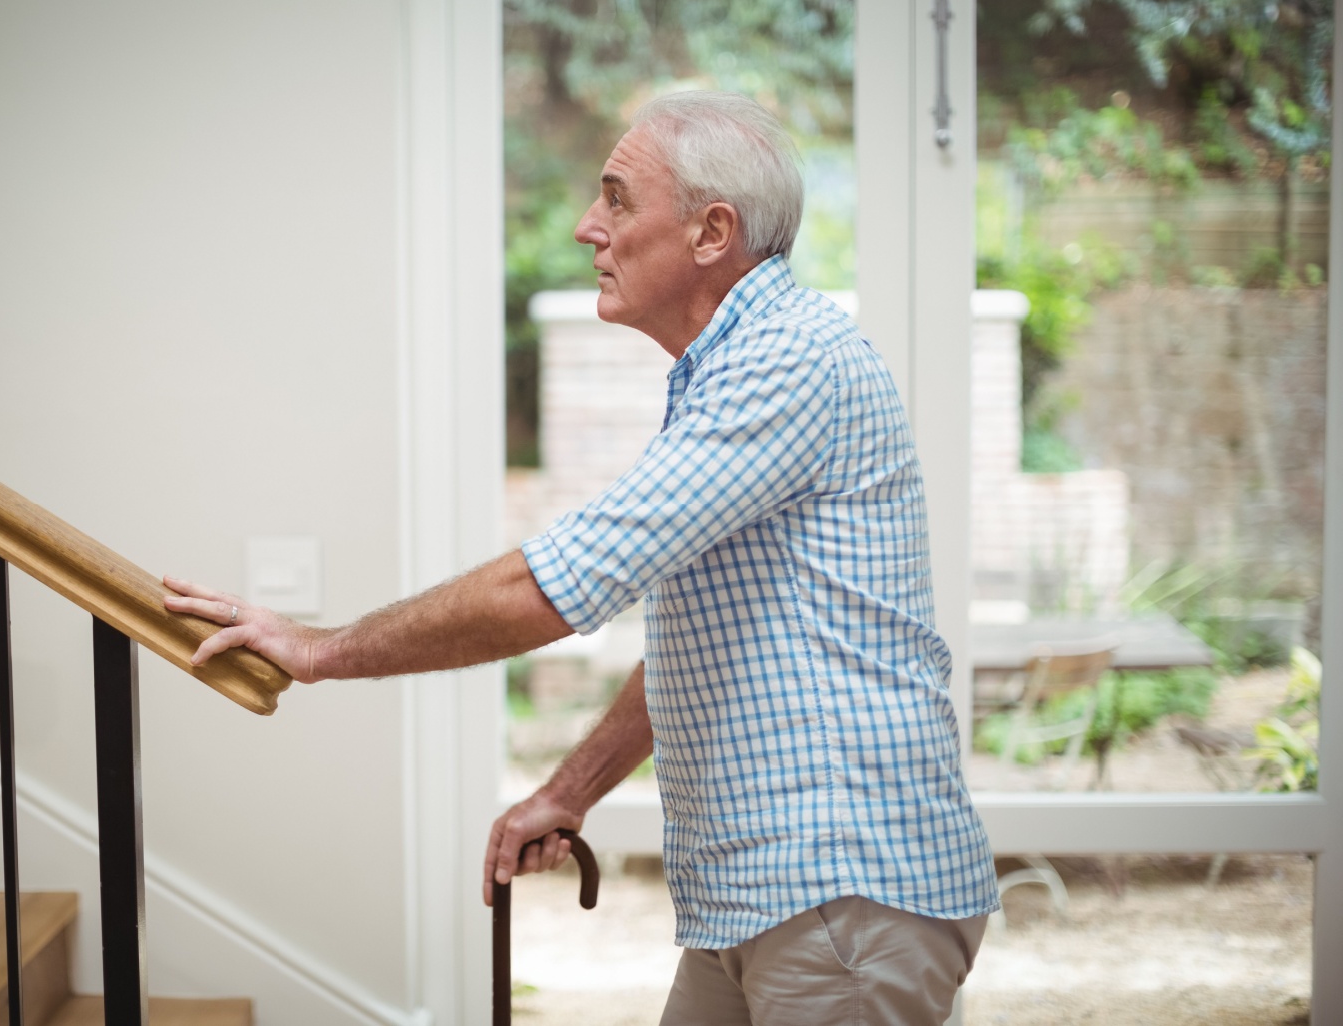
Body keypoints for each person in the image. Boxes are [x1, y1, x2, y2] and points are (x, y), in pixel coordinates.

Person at [163, 89, 998, 1025]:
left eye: (615, 199)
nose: (584, 227)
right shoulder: (731, 369)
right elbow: (715, 640)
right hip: (778, 897)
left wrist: (320, 651)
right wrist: (569, 792)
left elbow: (550, 587)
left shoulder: (786, 361)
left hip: (840, 890)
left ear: (710, 232)